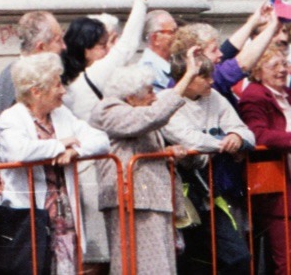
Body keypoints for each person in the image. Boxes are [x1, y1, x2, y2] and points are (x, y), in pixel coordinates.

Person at [61, 0, 151, 271]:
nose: (108, 51)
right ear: (87, 52)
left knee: (97, 254)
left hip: (88, 171)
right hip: (95, 173)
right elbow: (126, 48)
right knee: (100, 256)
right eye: (102, 46)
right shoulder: (92, 75)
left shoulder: (71, 81)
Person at [87, 50, 206, 275]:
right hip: (130, 201)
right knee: (137, 267)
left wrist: (166, 152)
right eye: (150, 91)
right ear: (130, 96)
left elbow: (139, 142)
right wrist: (188, 76)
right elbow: (151, 117)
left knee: (161, 267)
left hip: (151, 200)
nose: (154, 97)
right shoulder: (108, 110)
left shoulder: (135, 110)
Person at [0, 53, 109, 275]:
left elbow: (101, 140)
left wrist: (76, 151)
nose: (63, 91)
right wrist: (59, 145)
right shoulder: (11, 118)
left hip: (64, 217)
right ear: (36, 91)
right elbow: (20, 150)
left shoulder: (61, 114)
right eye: (57, 85)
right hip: (29, 219)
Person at [163, 47, 254, 275]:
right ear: (187, 78)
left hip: (207, 191)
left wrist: (238, 137)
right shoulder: (165, 101)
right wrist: (225, 143)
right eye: (204, 76)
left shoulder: (214, 97)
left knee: (239, 257)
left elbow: (246, 131)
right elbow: (190, 139)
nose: (211, 81)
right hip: (181, 191)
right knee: (187, 261)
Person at [236, 46, 291, 275]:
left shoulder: (289, 94)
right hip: (276, 186)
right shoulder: (254, 95)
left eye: (284, 64)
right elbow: (258, 134)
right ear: (258, 72)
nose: (282, 70)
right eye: (275, 66)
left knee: (283, 256)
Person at [0, 11, 64, 118]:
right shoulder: (22, 77)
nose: (64, 46)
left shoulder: (10, 70)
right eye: (58, 41)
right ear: (41, 47)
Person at [138, 10, 179, 90]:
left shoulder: (175, 62)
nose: (178, 36)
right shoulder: (147, 71)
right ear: (155, 38)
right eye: (172, 32)